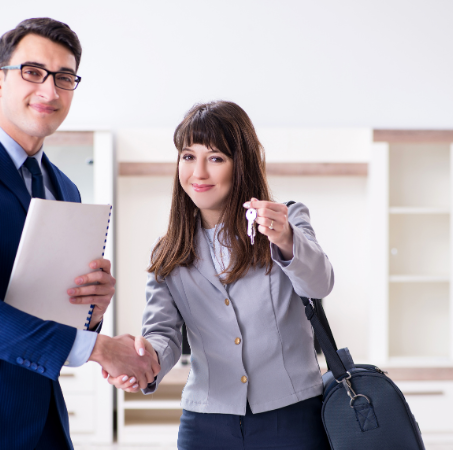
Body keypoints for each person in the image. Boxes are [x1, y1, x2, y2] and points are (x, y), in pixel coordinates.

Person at [0, 18, 158, 450]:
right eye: (33, 72)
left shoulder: (65, 187)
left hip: (42, 424)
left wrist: (92, 305)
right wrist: (99, 348)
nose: (50, 91)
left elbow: (51, 311)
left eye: (64, 78)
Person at [107, 100, 334, 449]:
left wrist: (286, 238)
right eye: (188, 156)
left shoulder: (287, 219)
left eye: (215, 158)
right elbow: (162, 334)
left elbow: (319, 283)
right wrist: (143, 362)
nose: (198, 172)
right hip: (206, 425)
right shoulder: (169, 251)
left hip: (293, 417)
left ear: (240, 164)